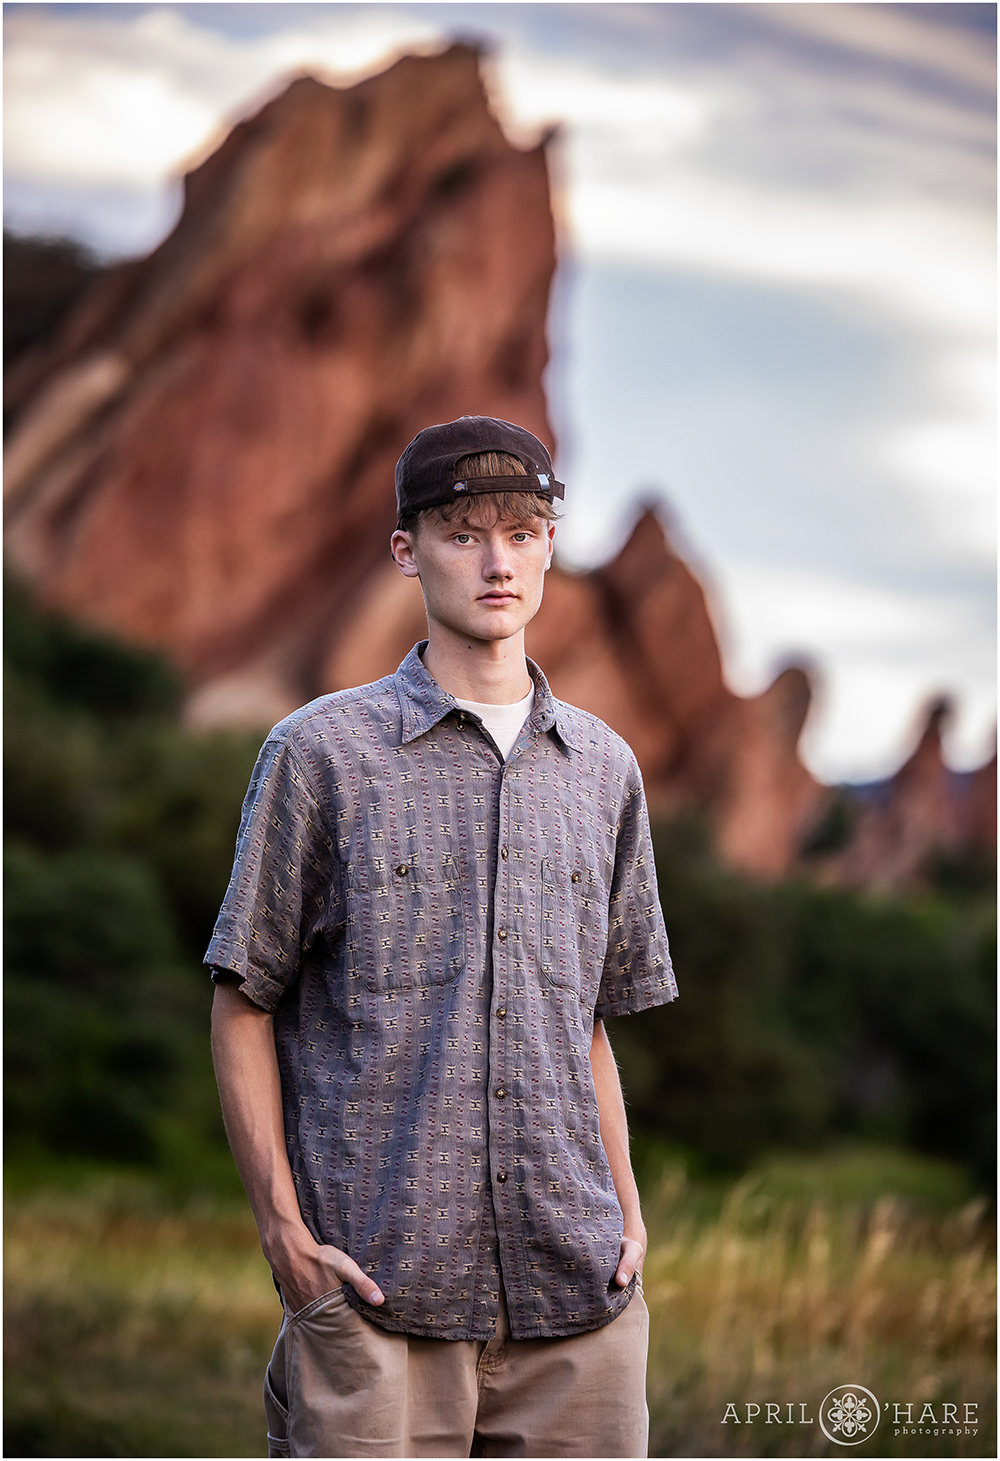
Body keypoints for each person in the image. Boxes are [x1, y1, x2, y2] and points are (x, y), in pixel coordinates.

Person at [208, 415, 679, 1459]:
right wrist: (286, 1237)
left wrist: (628, 1223)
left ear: (552, 544)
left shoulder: (605, 770)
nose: (497, 557)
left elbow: (588, 1025)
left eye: (521, 528)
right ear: (405, 550)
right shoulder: (318, 753)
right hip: (375, 1298)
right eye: (462, 531)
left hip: (580, 1305)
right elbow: (243, 1001)